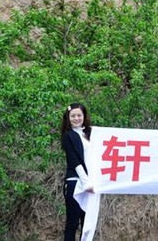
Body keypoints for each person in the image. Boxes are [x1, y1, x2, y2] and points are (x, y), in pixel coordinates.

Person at [61, 103, 93, 241]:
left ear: (84, 116)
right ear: (68, 118)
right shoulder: (68, 136)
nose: (76, 118)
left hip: (91, 183)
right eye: (72, 116)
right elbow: (74, 161)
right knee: (72, 223)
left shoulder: (90, 134)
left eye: (79, 115)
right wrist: (86, 182)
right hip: (76, 182)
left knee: (88, 223)